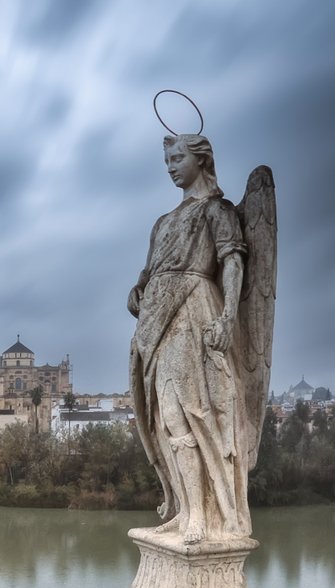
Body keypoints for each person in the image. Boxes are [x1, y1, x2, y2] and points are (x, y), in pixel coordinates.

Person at [128, 133, 252, 545]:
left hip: (193, 311)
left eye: (177, 157)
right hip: (155, 321)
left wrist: (228, 315)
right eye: (166, 159)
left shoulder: (217, 210)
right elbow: (150, 273)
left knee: (192, 410)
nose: (170, 166)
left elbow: (231, 260)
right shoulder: (162, 222)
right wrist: (138, 290)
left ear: (201, 159)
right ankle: (185, 510)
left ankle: (201, 516)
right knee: (166, 418)